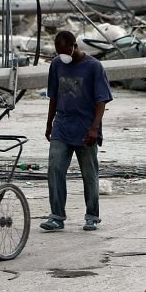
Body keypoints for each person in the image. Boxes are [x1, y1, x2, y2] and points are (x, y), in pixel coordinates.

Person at [41, 31, 113, 231]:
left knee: (89, 174)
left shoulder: (93, 67)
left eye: (65, 50)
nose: (63, 55)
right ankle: (56, 216)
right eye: (59, 51)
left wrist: (94, 129)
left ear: (74, 45)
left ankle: (92, 215)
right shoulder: (57, 65)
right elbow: (53, 96)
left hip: (85, 127)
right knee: (55, 169)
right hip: (62, 125)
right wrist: (49, 124)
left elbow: (101, 101)